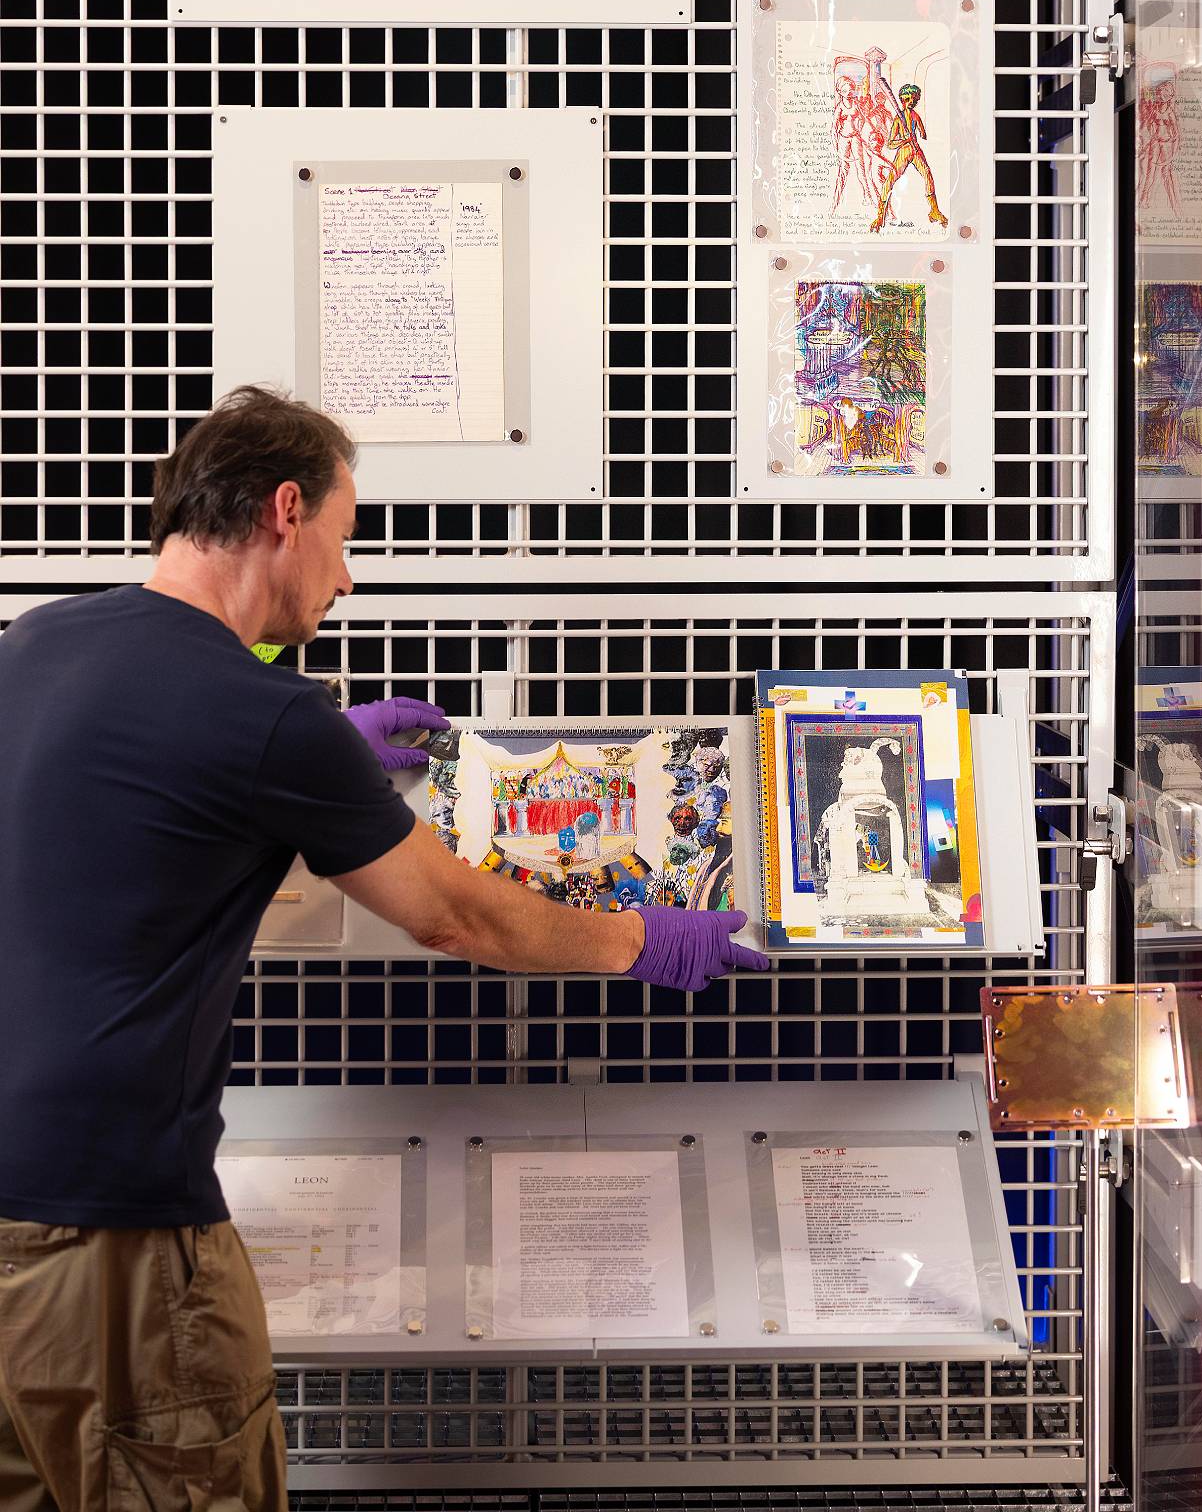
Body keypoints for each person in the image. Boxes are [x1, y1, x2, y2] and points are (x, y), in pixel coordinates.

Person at [0, 385, 766, 1509]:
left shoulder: (37, 641)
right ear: (284, 509)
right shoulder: (260, 709)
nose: (346, 578)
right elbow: (455, 913)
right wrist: (647, 940)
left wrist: (314, 763)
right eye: (346, 541)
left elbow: (126, 828)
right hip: (109, 1238)